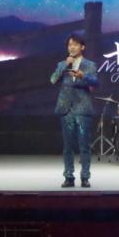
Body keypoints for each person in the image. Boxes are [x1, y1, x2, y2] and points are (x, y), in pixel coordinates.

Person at [50, 34, 99, 188]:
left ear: (82, 47)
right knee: (68, 146)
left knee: (84, 145)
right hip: (66, 108)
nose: (72, 47)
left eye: (75, 44)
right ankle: (68, 177)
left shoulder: (89, 65)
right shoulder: (62, 64)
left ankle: (85, 177)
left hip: (82, 107)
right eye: (70, 45)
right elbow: (53, 79)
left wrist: (83, 76)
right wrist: (65, 64)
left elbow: (96, 82)